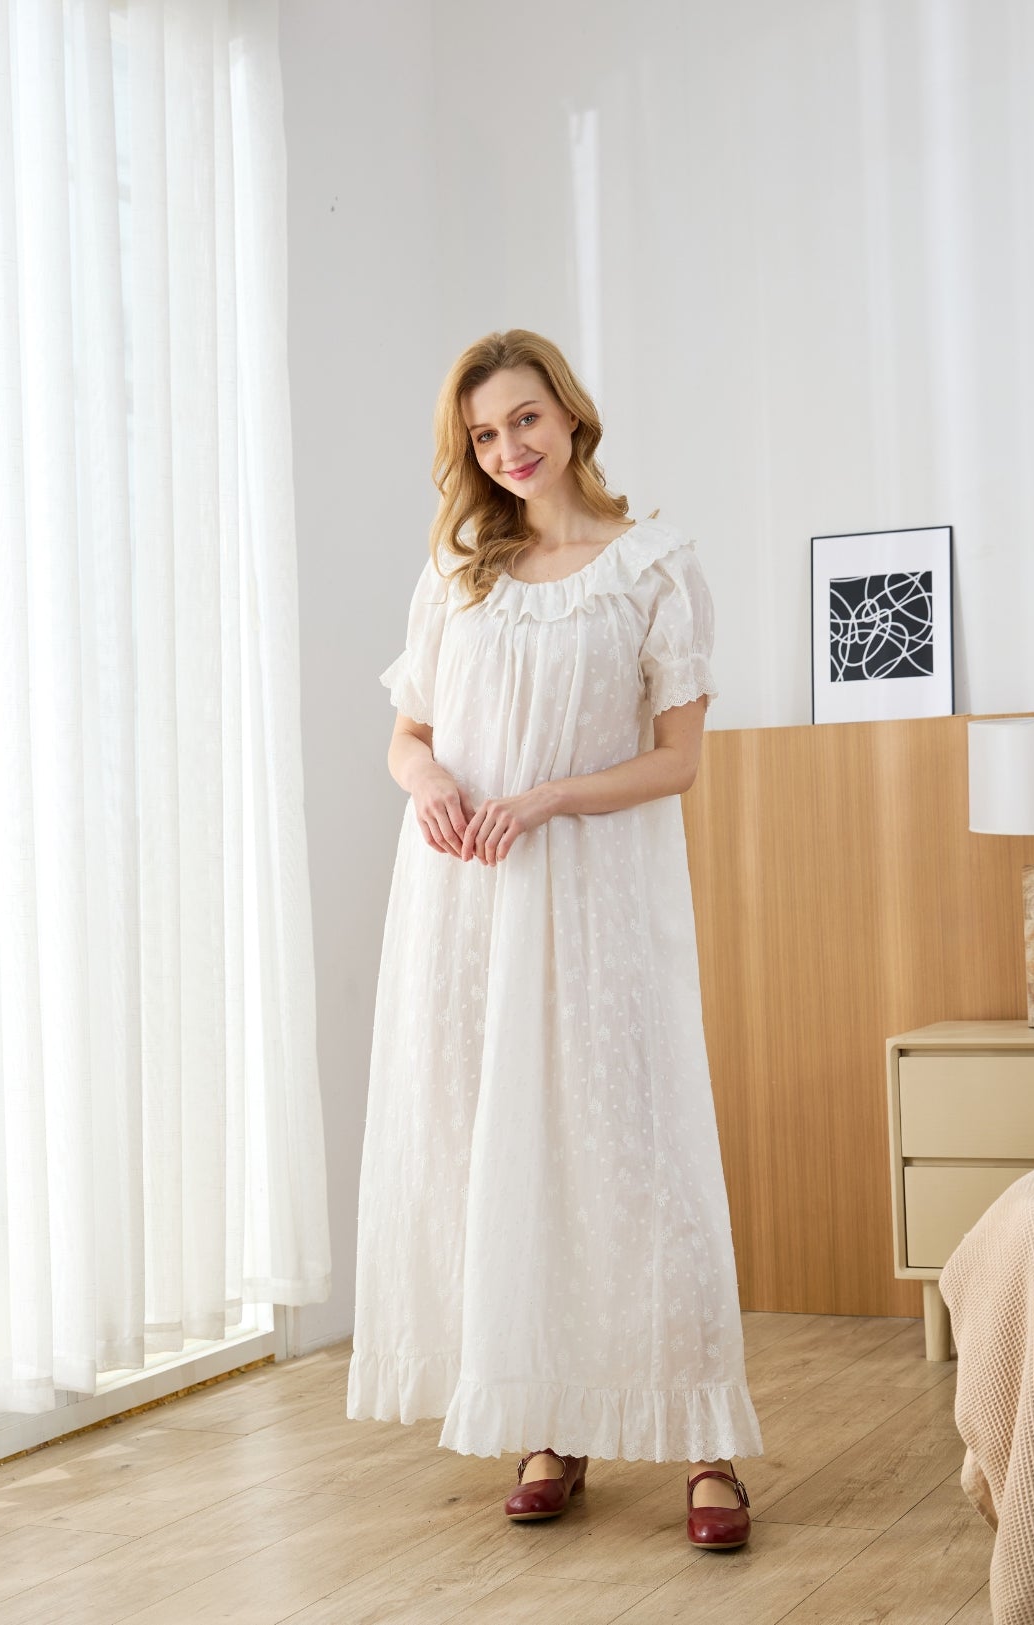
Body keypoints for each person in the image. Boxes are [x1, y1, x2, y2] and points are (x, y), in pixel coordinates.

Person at [346, 328, 764, 1549]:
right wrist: (428, 779)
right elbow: (406, 732)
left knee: (636, 1149)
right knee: (500, 1150)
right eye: (483, 433)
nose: (507, 448)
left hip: (592, 900)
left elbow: (676, 759)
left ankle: (706, 1442)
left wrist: (545, 799)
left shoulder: (651, 566)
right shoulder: (457, 572)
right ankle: (548, 1423)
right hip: (463, 900)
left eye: (523, 418)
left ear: (570, 414)